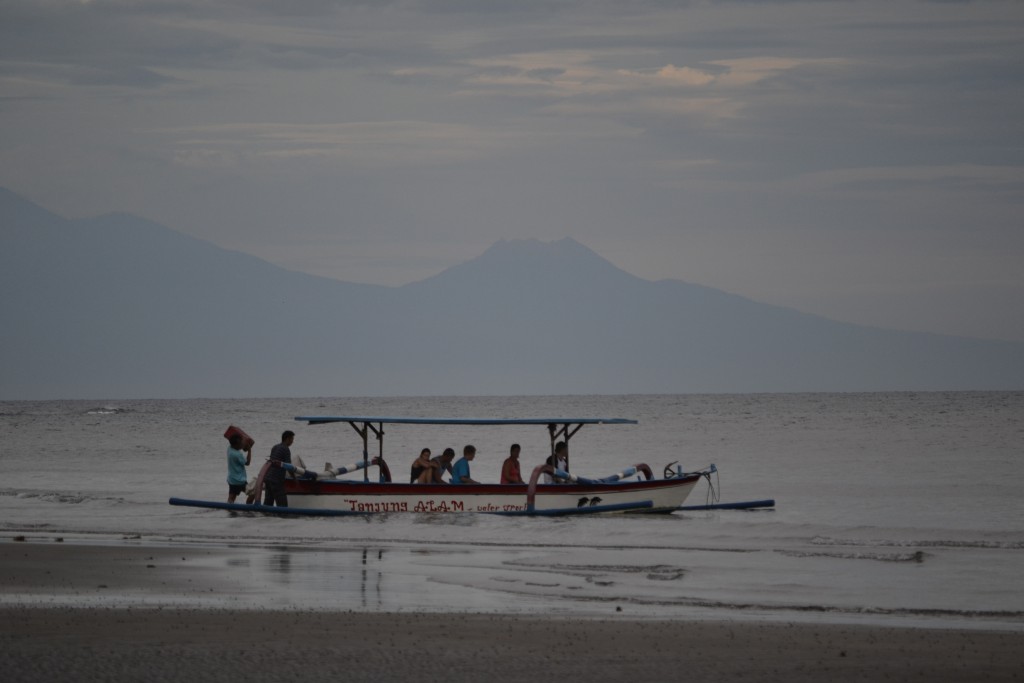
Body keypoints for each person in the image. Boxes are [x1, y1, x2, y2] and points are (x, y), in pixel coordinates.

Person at [263, 430, 295, 507]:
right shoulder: (286, 449)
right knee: (283, 506)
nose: (292, 442)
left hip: (268, 478)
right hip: (276, 480)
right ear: (287, 439)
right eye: (292, 439)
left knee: (267, 506)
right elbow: (289, 466)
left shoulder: (275, 447)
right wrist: (294, 478)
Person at [226, 434, 252, 503]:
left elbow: (236, 440)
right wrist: (249, 450)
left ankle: (230, 510)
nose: (242, 444)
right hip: (239, 481)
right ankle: (248, 508)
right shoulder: (237, 454)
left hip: (232, 479)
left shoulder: (229, 449)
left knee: (231, 497)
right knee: (252, 493)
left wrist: (243, 441)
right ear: (236, 445)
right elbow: (247, 463)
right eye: (240, 443)